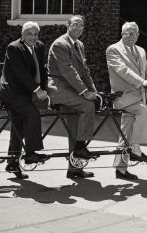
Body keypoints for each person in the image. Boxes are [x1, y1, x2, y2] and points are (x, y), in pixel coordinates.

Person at [47, 15, 98, 179]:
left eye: (81, 26)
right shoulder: (60, 44)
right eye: (75, 25)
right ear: (68, 25)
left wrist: (94, 92)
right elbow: (68, 70)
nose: (78, 28)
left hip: (72, 88)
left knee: (75, 127)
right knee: (87, 106)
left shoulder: (79, 45)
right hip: (59, 88)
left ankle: (74, 168)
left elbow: (84, 71)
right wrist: (85, 93)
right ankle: (80, 148)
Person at [0, 21, 50, 179]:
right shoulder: (14, 48)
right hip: (11, 91)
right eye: (29, 34)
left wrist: (44, 89)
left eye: (35, 34)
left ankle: (12, 163)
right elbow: (21, 73)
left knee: (18, 127)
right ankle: (30, 153)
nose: (33, 37)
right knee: (32, 113)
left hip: (24, 92)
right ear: (22, 35)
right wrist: (37, 90)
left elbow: (41, 69)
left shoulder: (39, 46)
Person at [106, 21, 147, 180]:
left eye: (134, 33)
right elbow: (123, 70)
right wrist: (142, 82)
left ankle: (120, 170)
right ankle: (135, 149)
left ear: (138, 35)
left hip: (138, 97)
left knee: (125, 132)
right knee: (144, 111)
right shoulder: (113, 50)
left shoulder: (141, 50)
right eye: (127, 33)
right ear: (122, 34)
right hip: (123, 97)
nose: (130, 36)